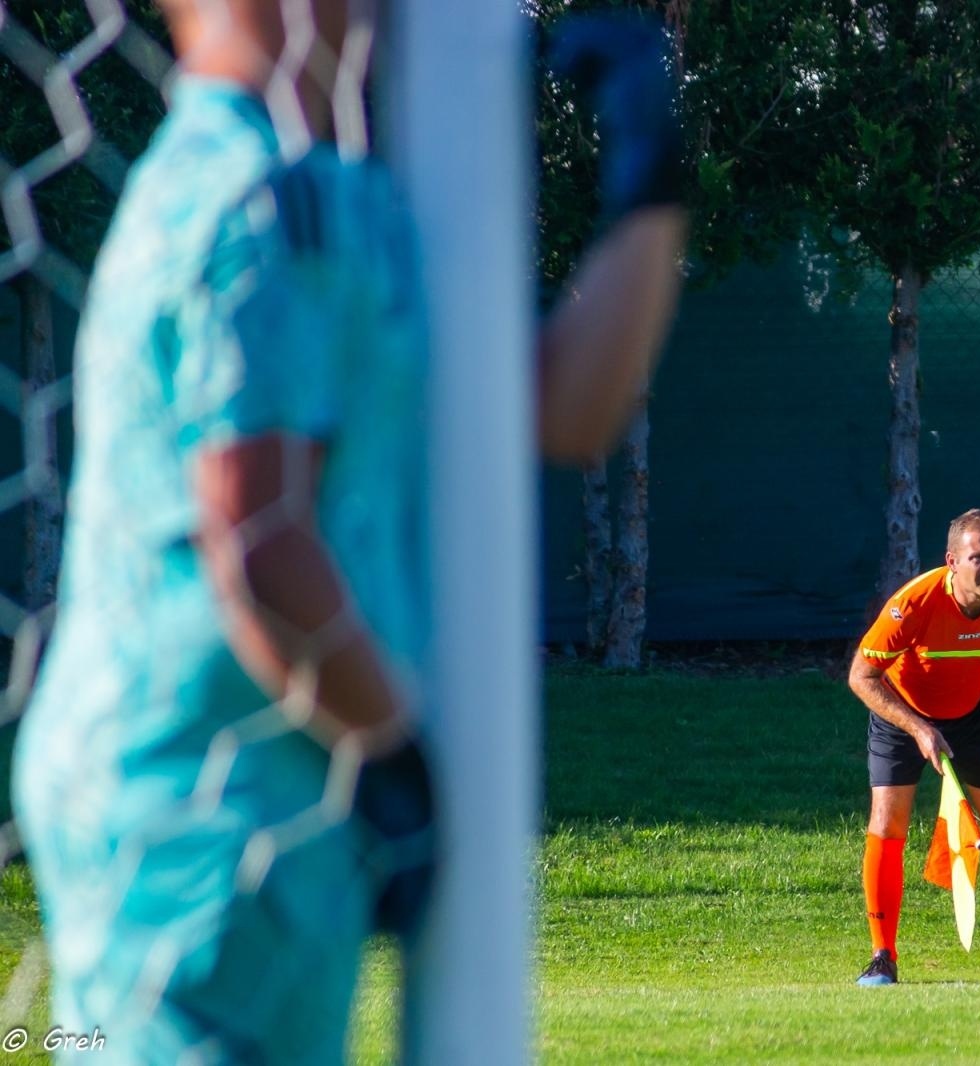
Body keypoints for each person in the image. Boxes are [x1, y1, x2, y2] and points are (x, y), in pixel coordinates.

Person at [11, 0, 686, 1060]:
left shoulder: (351, 201)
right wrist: (397, 748)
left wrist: (650, 171)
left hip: (288, 811)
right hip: (193, 822)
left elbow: (568, 404)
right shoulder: (248, 196)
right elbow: (257, 544)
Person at [847, 508, 980, 986]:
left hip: (977, 714)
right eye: (978, 558)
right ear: (952, 562)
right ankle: (882, 958)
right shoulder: (914, 603)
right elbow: (862, 676)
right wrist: (918, 728)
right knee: (888, 821)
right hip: (902, 712)